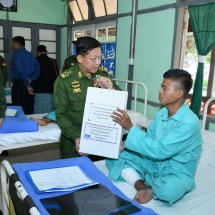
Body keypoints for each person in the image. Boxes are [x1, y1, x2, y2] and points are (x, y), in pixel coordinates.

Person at [106, 69, 203, 206]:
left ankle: (151, 185)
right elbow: (149, 137)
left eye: (164, 88)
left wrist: (130, 127)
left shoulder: (189, 122)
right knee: (113, 158)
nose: (159, 91)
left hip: (176, 169)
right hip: (154, 161)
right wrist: (124, 144)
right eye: (161, 87)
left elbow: (160, 150)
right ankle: (142, 186)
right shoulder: (163, 113)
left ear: (179, 93)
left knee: (169, 190)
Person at [54, 36, 121, 161]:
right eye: (93, 58)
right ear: (80, 58)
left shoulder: (103, 74)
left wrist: (111, 88)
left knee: (100, 173)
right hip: (74, 136)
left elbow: (120, 100)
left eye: (100, 58)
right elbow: (61, 115)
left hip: (100, 135)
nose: (98, 62)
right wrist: (76, 137)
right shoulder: (65, 80)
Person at [11, 36, 40, 115]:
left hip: (21, 85)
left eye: (12, 43)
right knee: (29, 110)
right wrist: (31, 79)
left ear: (16, 43)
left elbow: (21, 71)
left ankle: (19, 127)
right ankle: (29, 127)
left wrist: (27, 84)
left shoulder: (16, 55)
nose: (11, 45)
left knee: (18, 110)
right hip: (31, 84)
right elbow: (37, 69)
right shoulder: (30, 55)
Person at [34, 45, 59, 113]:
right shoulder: (53, 61)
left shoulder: (35, 60)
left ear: (38, 52)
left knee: (38, 111)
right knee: (49, 111)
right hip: (50, 90)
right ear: (46, 52)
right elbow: (57, 76)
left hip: (38, 89)